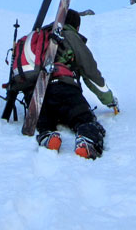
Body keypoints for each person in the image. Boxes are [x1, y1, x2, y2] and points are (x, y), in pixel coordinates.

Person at [30, 9, 118, 159]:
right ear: (76, 27)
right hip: (63, 89)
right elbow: (90, 73)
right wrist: (109, 100)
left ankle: (47, 135)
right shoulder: (70, 36)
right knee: (83, 119)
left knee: (46, 121)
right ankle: (87, 141)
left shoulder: (39, 37)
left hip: (35, 93)